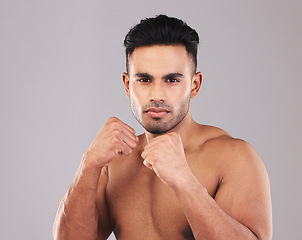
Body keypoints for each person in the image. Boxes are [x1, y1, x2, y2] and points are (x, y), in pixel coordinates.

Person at [53, 14, 272, 240]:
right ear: (128, 85)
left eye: (172, 80)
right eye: (144, 80)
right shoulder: (114, 161)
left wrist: (185, 181)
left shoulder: (233, 157)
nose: (157, 95)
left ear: (194, 86)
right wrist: (88, 165)